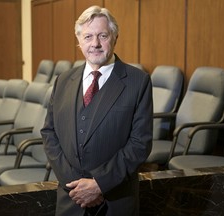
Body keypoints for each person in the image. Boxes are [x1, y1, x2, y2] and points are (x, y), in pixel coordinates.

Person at [41, 5, 153, 216]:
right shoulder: (63, 80)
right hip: (70, 198)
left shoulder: (138, 82)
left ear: (115, 37)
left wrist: (99, 185)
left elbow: (140, 144)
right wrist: (75, 185)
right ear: (79, 41)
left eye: (103, 35)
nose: (95, 43)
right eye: (88, 36)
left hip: (116, 200)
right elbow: (49, 133)